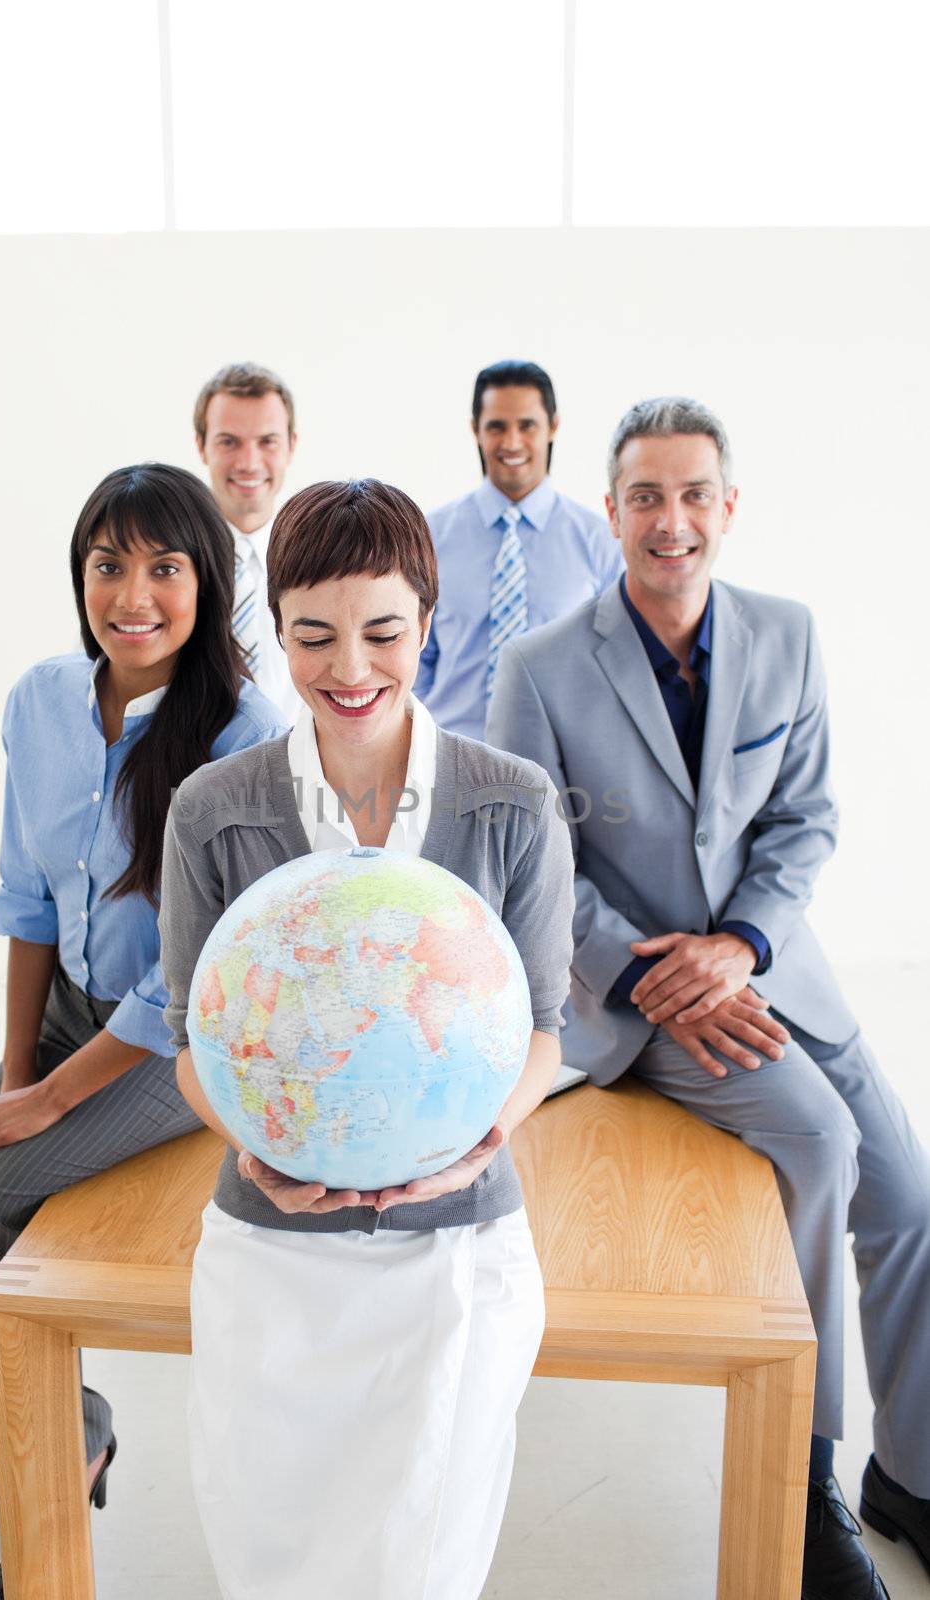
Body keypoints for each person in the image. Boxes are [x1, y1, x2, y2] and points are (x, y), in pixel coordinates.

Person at [485, 396, 930, 1600]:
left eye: (691, 495)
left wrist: (737, 942)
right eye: (643, 496)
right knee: (821, 1143)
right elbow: (530, 866)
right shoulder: (537, 669)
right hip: (631, 999)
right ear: (611, 509)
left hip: (770, 969)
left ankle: (914, 1474)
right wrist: (651, 970)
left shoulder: (786, 634)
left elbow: (803, 818)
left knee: (910, 1196)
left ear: (726, 509)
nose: (667, 520)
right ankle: (800, 1484)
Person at [0, 463, 287, 1592]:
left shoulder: (245, 730)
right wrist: (15, 1075)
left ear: (207, 580)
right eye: (108, 564)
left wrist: (48, 1102)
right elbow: (25, 905)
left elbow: (193, 979)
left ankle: (55, 1462)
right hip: (63, 1014)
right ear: (80, 575)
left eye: (163, 566)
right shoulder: (41, 701)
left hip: (175, 1038)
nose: (132, 593)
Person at [159, 478, 575, 1600]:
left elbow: (539, 1026)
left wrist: (477, 1140)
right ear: (273, 633)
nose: (350, 669)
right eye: (312, 636)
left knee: (415, 1564)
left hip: (456, 1246)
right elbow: (194, 1045)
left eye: (384, 631)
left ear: (429, 622)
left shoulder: (514, 802)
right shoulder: (211, 809)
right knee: (268, 1551)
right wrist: (251, 1147)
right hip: (270, 1245)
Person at [414, 358, 623, 740]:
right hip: (449, 756)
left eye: (527, 425)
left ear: (553, 426)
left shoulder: (601, 542)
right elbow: (410, 653)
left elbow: (617, 663)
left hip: (560, 762)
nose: (511, 443)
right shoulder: (428, 536)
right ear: (476, 429)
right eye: (497, 427)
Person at [194, 358, 302, 723]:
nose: (249, 462)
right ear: (201, 445)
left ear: (291, 445)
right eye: (229, 442)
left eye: (267, 442)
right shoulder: (160, 563)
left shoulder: (325, 561)